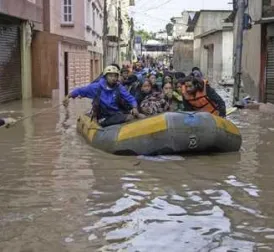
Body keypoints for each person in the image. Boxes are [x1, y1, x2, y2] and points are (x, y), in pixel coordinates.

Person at [64, 65, 141, 127]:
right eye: (111, 76)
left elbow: (130, 98)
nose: (113, 78)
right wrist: (68, 96)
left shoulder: (119, 87)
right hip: (103, 117)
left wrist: (134, 107)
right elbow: (80, 90)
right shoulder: (96, 87)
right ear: (105, 77)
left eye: (115, 76)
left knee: (137, 116)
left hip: (116, 114)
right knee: (130, 118)